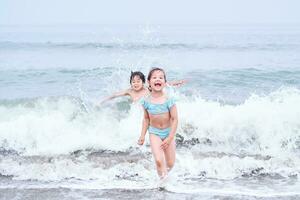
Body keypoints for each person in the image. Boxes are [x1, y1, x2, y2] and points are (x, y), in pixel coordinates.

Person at [138, 67, 178, 181]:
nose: (158, 79)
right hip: (154, 132)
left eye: (161, 77)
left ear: (165, 82)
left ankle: (163, 175)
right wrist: (142, 136)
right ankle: (163, 183)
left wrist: (170, 137)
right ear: (149, 82)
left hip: (168, 132)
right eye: (154, 77)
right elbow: (146, 119)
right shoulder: (146, 101)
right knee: (159, 161)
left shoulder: (169, 99)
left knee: (170, 163)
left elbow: (175, 119)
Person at [101, 71, 186, 103]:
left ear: (143, 82)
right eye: (133, 82)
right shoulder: (129, 91)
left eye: (138, 81)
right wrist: (103, 101)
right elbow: (115, 95)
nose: (136, 84)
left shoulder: (148, 88)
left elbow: (164, 84)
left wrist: (177, 83)